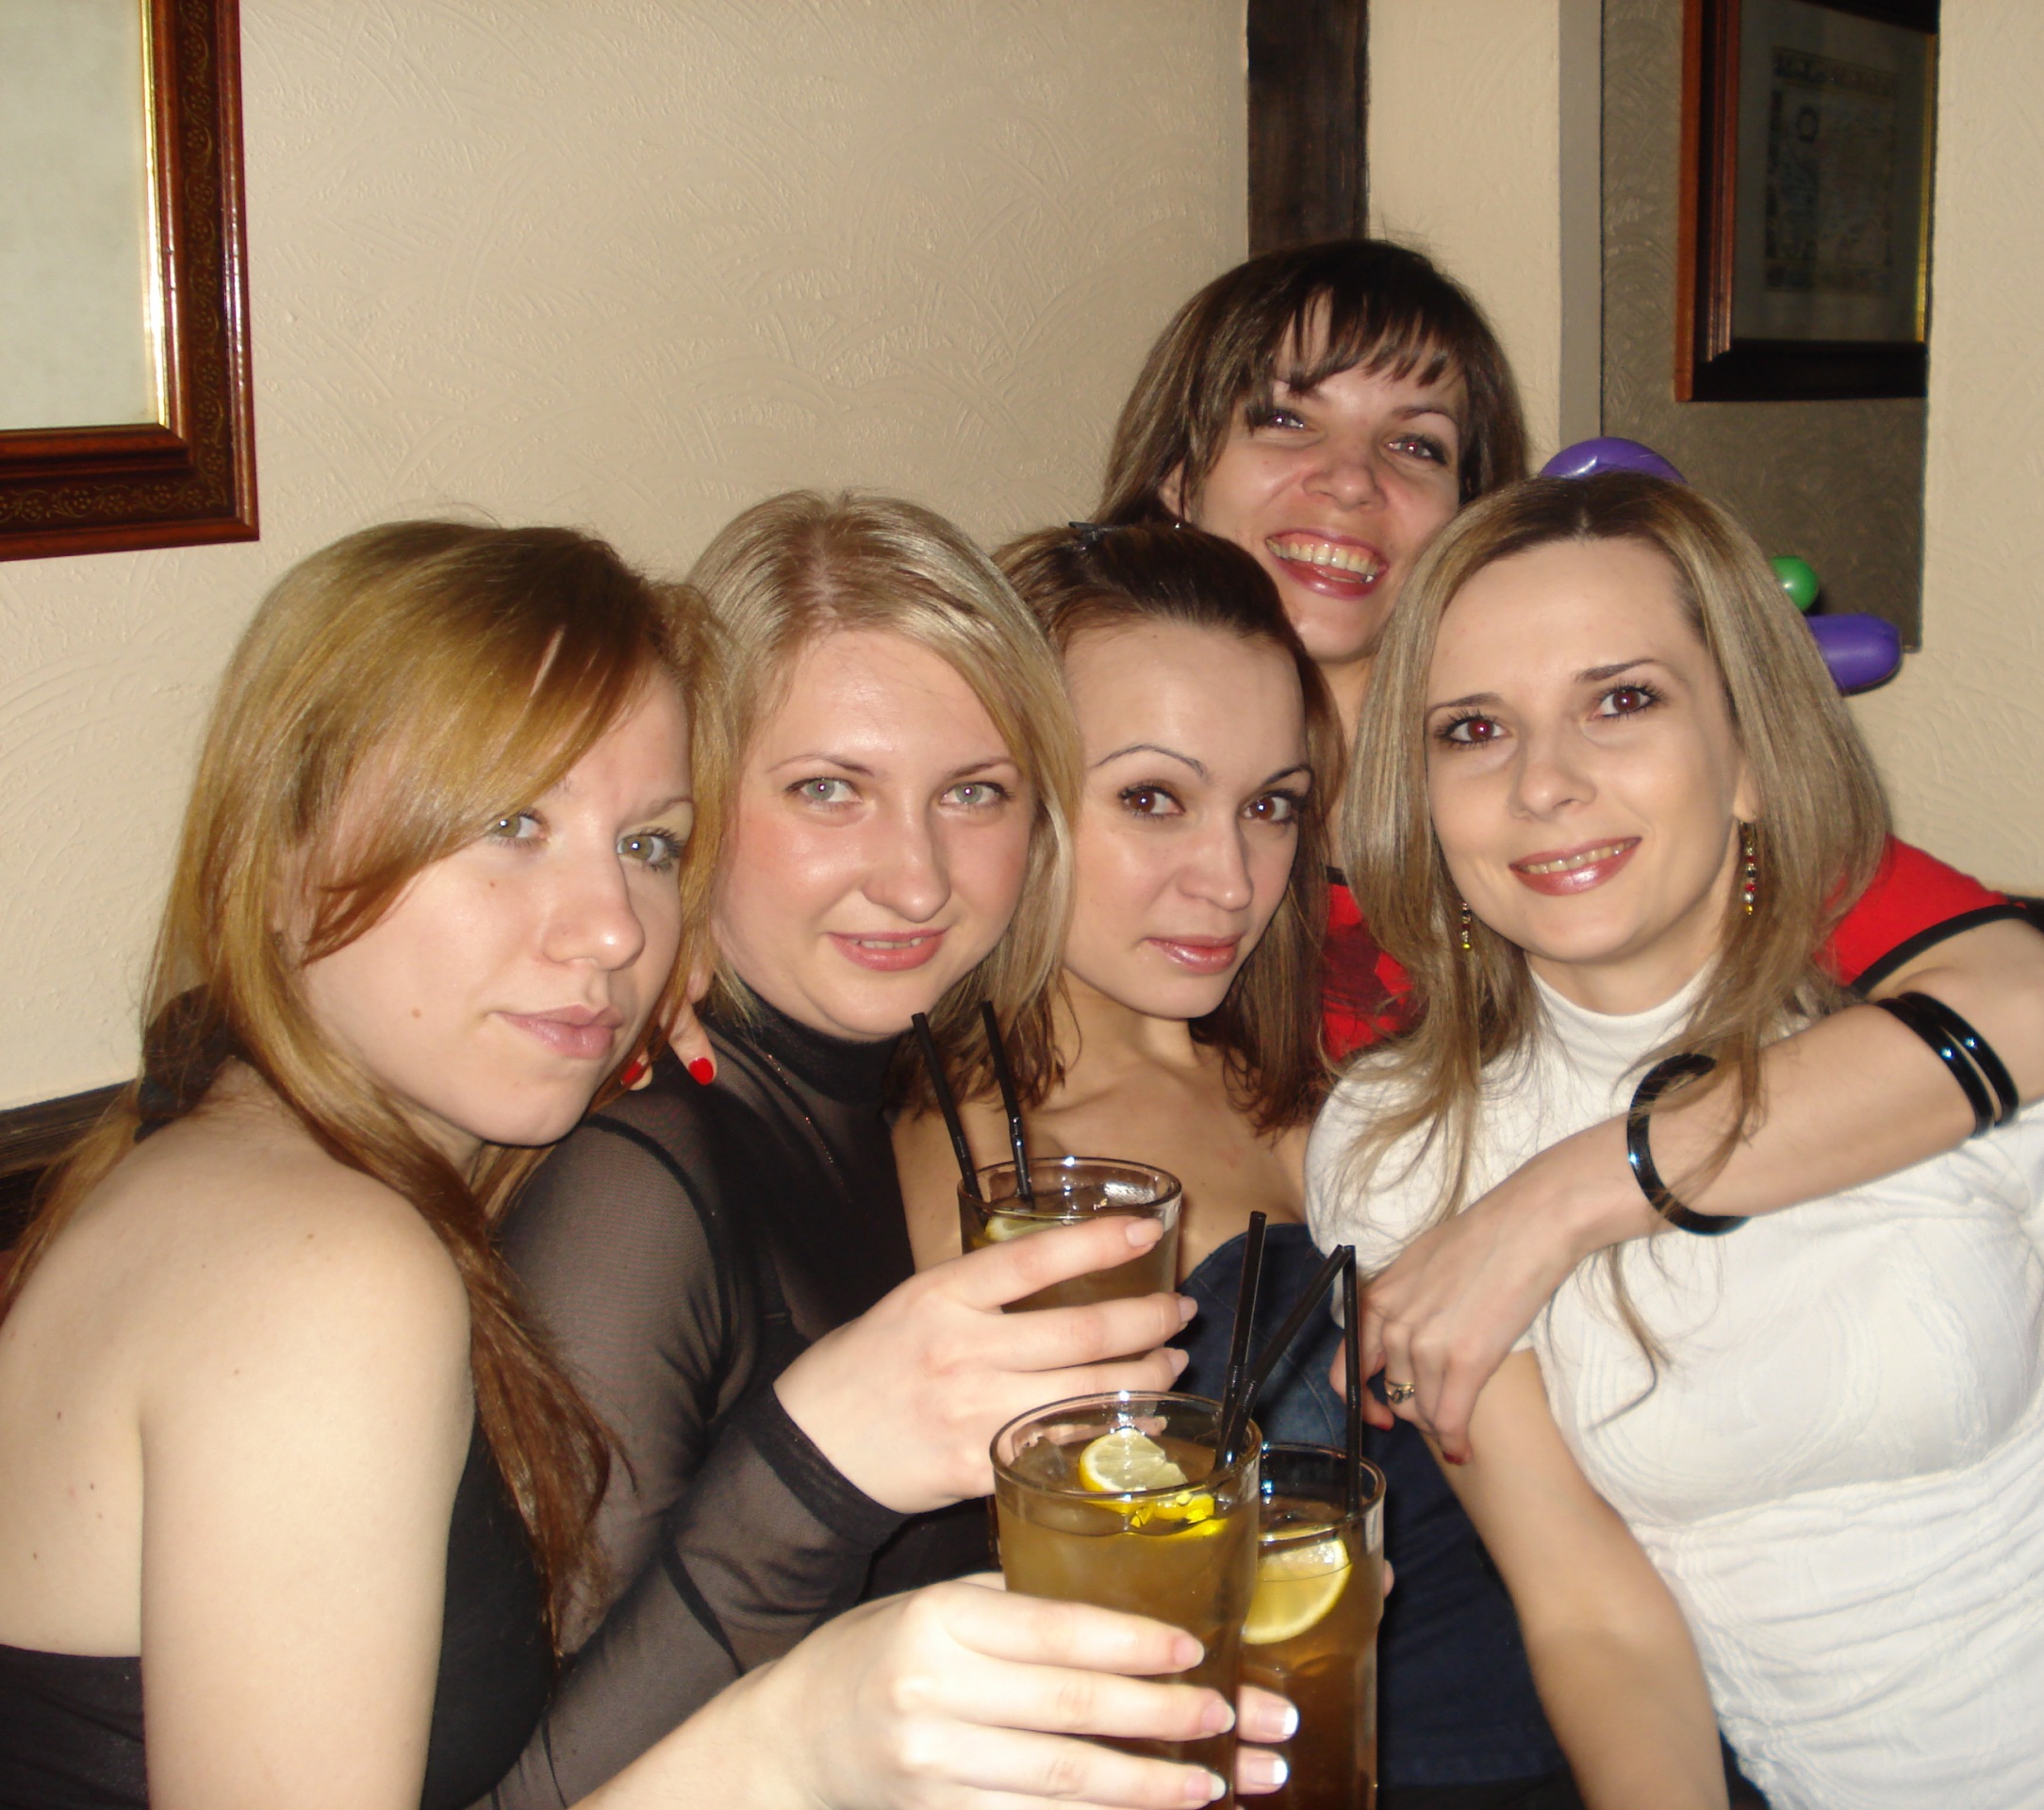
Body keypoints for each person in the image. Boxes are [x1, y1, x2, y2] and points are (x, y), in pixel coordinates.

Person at [0, 521, 1253, 1810]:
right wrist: (795, 1724)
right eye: (510, 824)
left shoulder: (250, 1157)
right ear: (279, 857)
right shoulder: (318, 1275)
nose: (610, 929)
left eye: (649, 847)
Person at [1308, 472, 2044, 1809]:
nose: (1545, 783)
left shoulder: (1940, 1051)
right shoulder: (1403, 1145)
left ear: (1750, 755)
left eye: (1623, 701)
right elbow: (1597, 1623)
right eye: (1474, 729)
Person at [1092, 238, 2044, 1463]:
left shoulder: (1578, 808)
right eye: (1284, 419)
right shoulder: (1098, 803)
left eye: (1417, 445)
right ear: (1176, 477)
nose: (1351, 482)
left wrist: (1569, 1197)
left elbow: (2040, 1014)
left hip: (1785, 1406)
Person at [490, 492, 1286, 1804]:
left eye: (973, 793)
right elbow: (538, 1785)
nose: (917, 879)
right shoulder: (635, 1189)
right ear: (698, 798)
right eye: (828, 791)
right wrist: (815, 1468)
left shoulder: (906, 1109)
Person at [893, 522, 1573, 1809]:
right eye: (1153, 798)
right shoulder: (1005, 1178)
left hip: (1605, 1707)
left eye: (1271, 807)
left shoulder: (1323, 1075)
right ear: (1007, 787)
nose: (1231, 880)